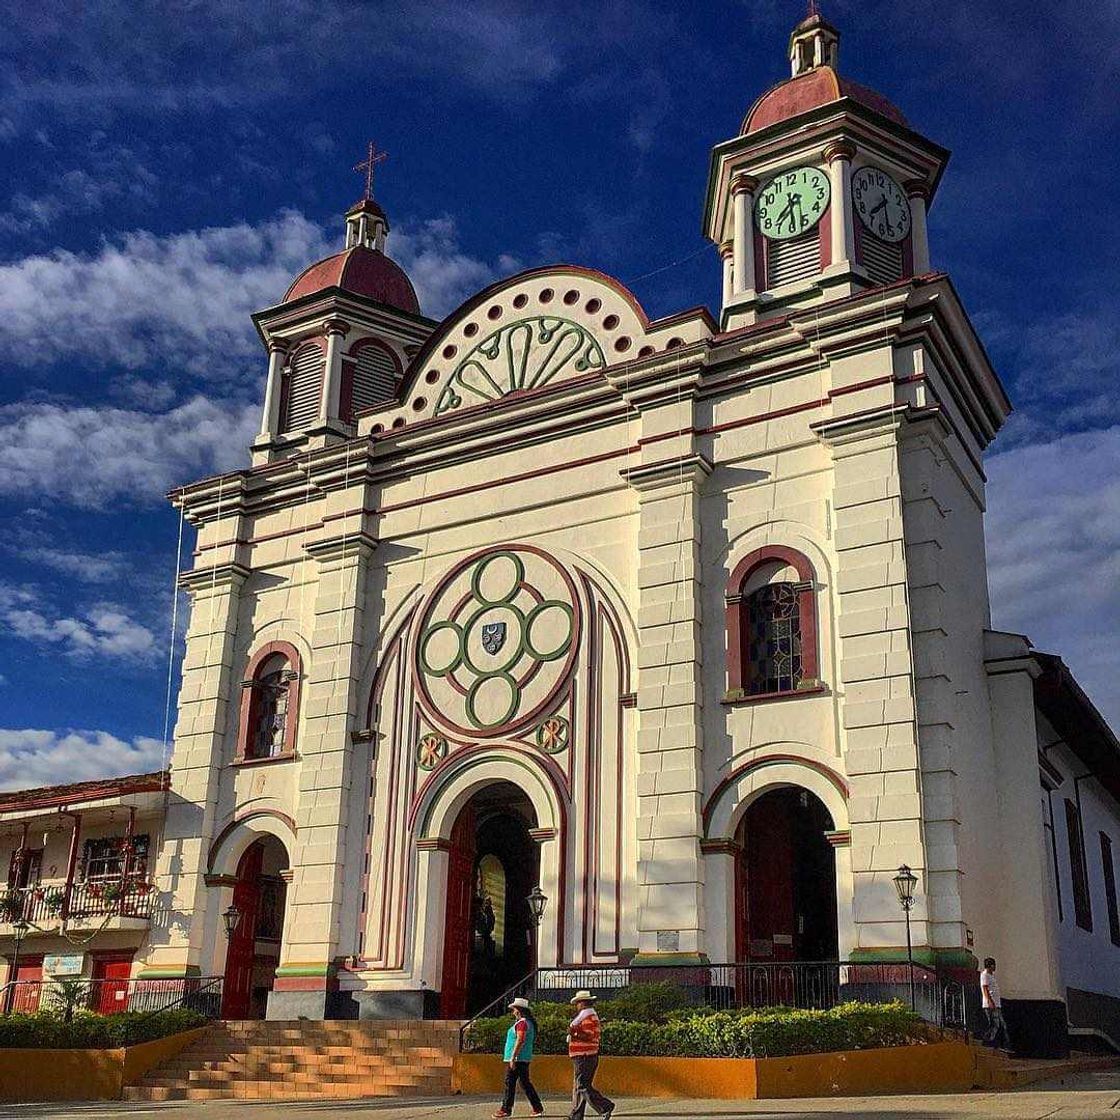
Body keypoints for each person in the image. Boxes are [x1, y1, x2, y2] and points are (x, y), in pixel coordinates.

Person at [493, 997, 544, 1120]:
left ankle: (506, 1109)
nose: (513, 1012)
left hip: (517, 1058)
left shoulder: (522, 1023)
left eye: (514, 1010)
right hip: (523, 1057)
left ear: (519, 1010)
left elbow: (520, 1039)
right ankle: (537, 1107)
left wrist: (513, 1057)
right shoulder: (529, 1023)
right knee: (525, 1083)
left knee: (510, 1083)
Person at [567, 990, 614, 1120]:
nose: (576, 1006)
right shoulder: (589, 1015)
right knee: (580, 1086)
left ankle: (605, 1106)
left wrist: (574, 1033)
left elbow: (589, 1036)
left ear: (582, 1003)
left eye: (577, 1003)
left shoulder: (587, 1017)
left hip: (584, 1055)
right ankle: (576, 1115)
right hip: (584, 1055)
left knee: (582, 1085)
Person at [979, 957, 1012, 1051]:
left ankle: (997, 1044)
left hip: (997, 1004)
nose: (995, 967)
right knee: (996, 1025)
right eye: (994, 965)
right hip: (991, 1004)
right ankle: (988, 1041)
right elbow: (985, 989)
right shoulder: (984, 975)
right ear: (990, 965)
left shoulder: (991, 976)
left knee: (998, 1025)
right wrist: (990, 1002)